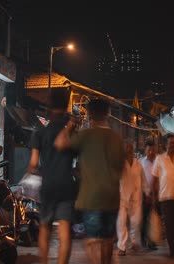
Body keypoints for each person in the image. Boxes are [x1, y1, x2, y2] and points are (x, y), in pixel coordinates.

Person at [54, 98, 125, 264]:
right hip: (112, 197)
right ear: (107, 114)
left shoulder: (85, 135)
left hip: (91, 197)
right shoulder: (117, 139)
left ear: (90, 114)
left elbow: (59, 144)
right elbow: (121, 168)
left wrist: (70, 125)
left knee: (93, 240)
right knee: (108, 240)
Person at [26, 92, 77, 264]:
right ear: (65, 108)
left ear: (48, 109)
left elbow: (33, 164)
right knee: (64, 232)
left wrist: (39, 170)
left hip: (48, 186)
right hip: (66, 185)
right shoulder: (71, 132)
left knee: (45, 228)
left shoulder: (39, 132)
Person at [116, 141, 148, 256]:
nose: (128, 150)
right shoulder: (119, 163)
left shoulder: (138, 164)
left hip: (136, 197)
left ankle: (134, 242)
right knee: (121, 222)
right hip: (122, 197)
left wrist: (147, 192)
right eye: (126, 148)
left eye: (130, 148)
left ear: (132, 150)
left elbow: (143, 180)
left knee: (136, 221)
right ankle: (122, 246)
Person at [138, 140, 158, 250]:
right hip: (143, 194)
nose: (150, 152)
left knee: (153, 218)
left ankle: (152, 241)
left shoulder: (158, 161)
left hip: (156, 194)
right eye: (148, 150)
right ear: (145, 150)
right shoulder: (140, 162)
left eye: (152, 150)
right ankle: (143, 240)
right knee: (144, 218)